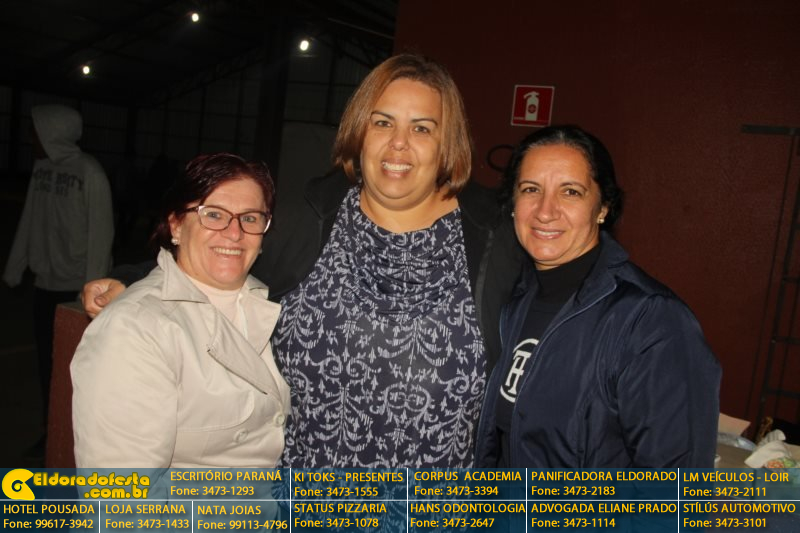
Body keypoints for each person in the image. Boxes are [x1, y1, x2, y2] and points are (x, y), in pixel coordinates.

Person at [80, 54, 527, 468]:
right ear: (360, 132)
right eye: (383, 122)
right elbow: (223, 254)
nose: (398, 144)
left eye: (422, 128)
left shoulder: (494, 237)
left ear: (447, 143)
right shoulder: (308, 219)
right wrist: (132, 278)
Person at [474, 125, 721, 468]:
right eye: (531, 189)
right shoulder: (513, 299)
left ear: (602, 207)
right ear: (513, 203)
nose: (545, 211)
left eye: (570, 192)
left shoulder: (651, 322)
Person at [71, 153, 290, 468]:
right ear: (175, 225)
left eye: (250, 218)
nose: (234, 233)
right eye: (213, 215)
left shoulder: (273, 303)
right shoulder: (134, 329)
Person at [3, 104, 113, 441]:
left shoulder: (89, 172)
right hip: (44, 284)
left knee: (75, 365)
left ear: (53, 132)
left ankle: (76, 432)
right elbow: (29, 217)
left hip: (76, 288)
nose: (31, 138)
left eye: (36, 131)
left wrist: (91, 290)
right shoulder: (41, 169)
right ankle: (49, 428)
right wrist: (15, 267)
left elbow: (101, 233)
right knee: (46, 361)